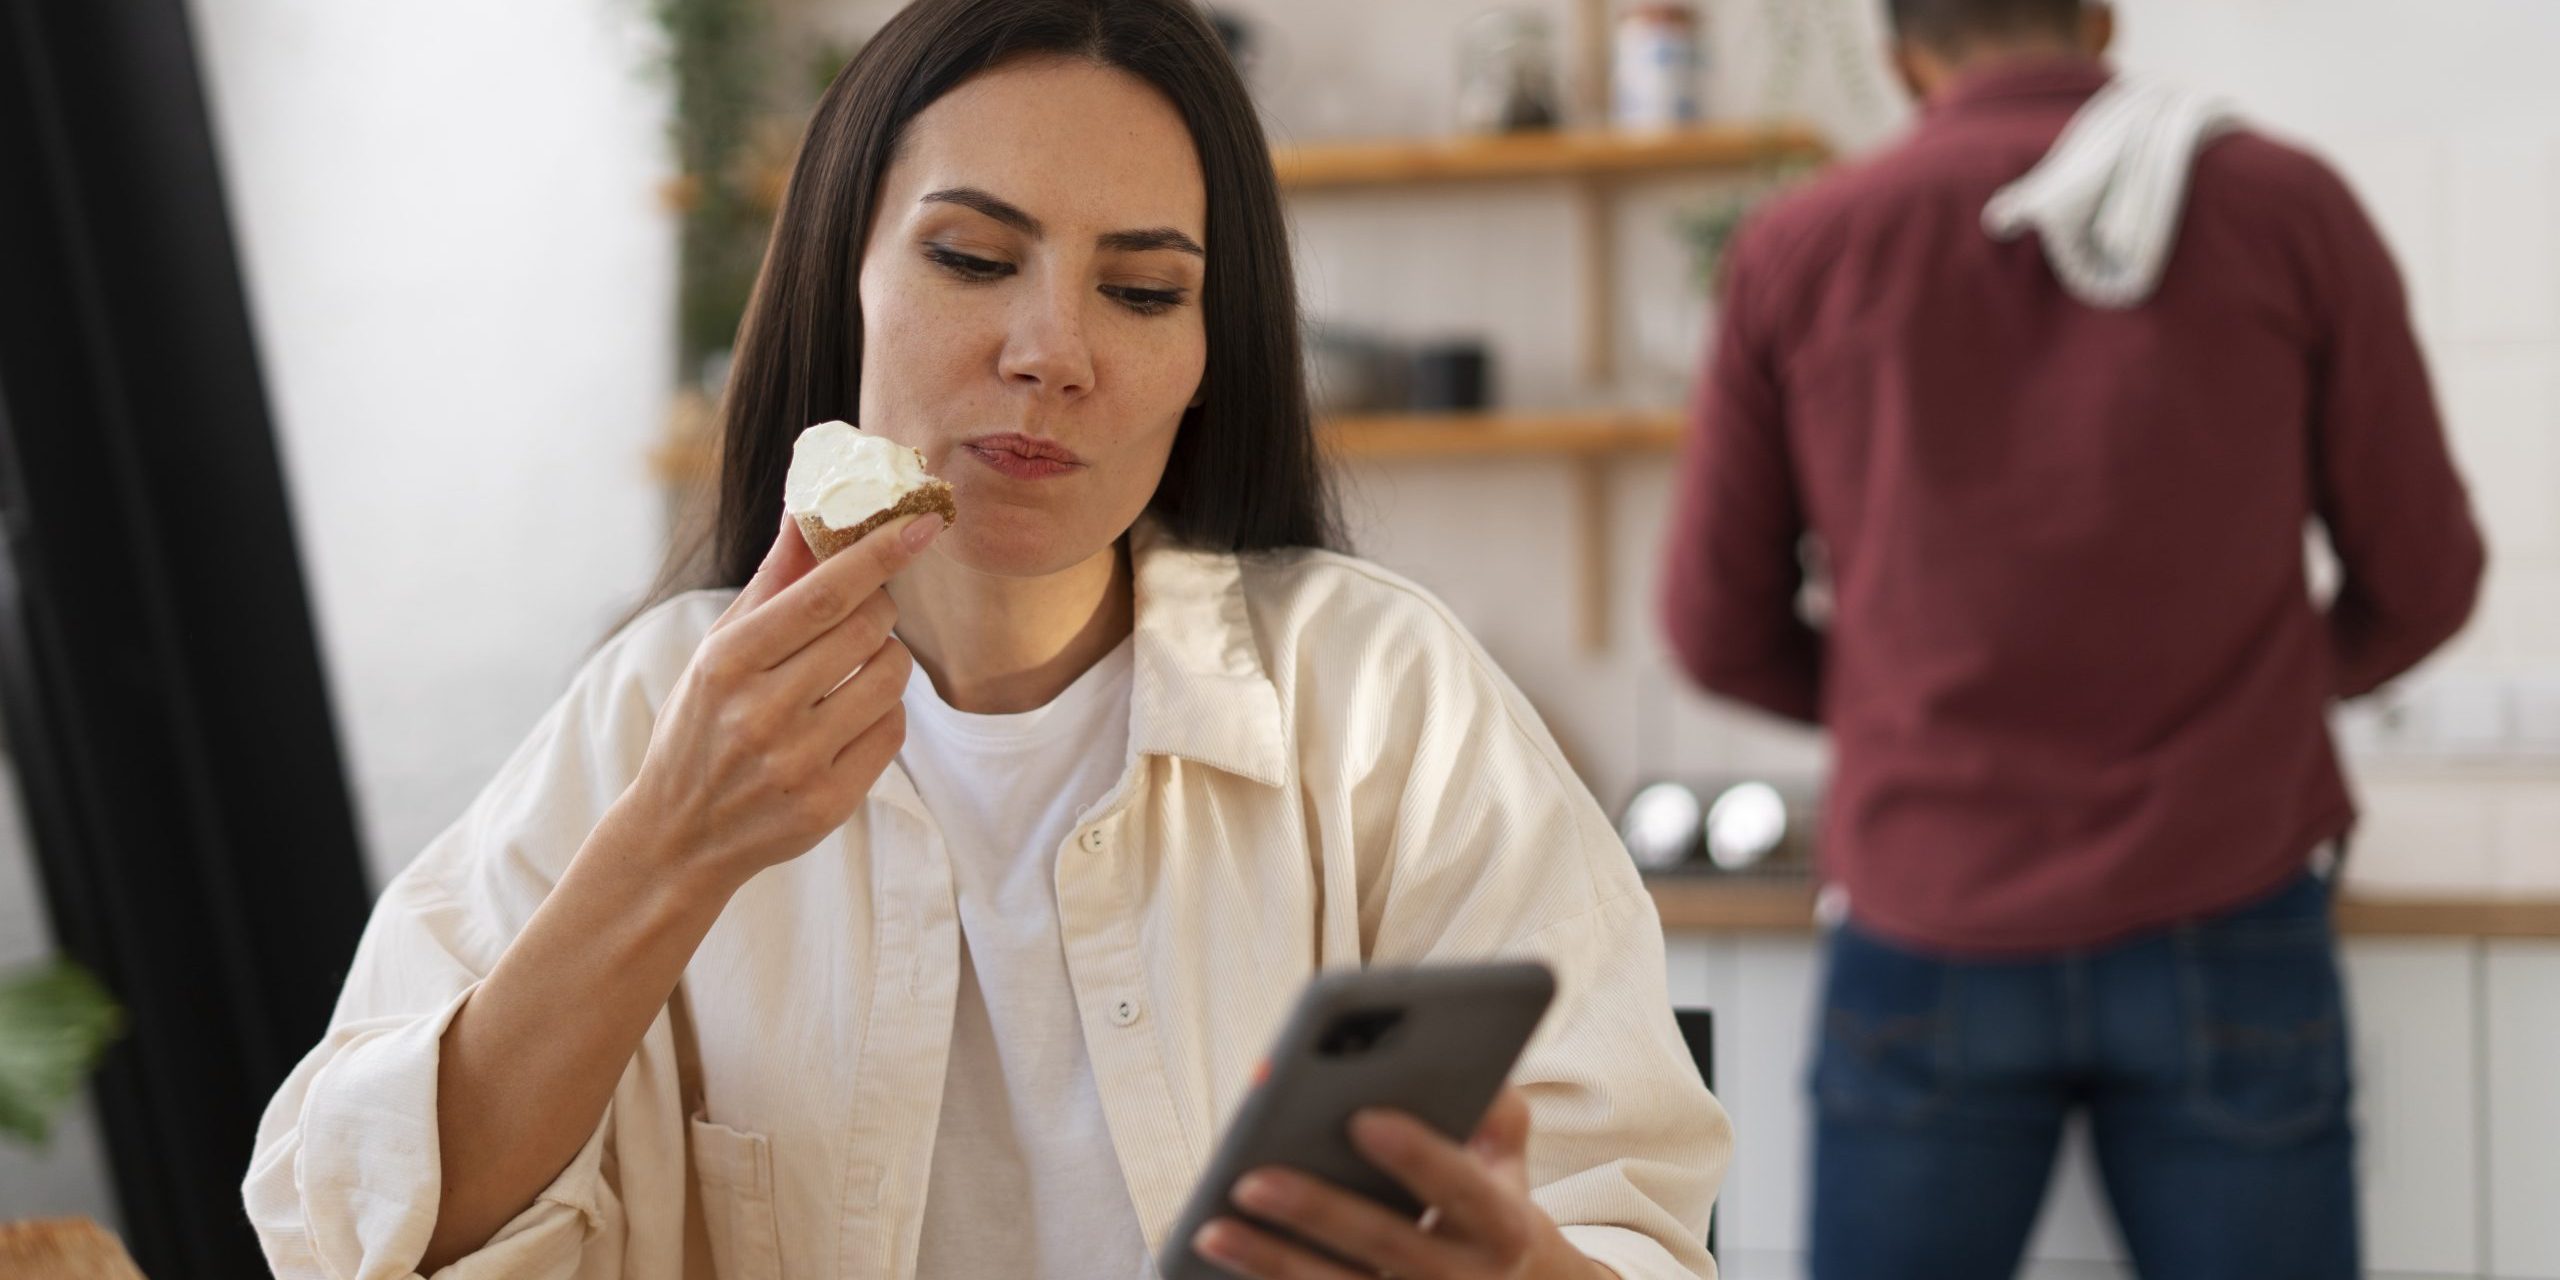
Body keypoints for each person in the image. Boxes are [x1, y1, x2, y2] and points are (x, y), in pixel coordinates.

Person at [243, 1, 1731, 1277]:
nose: (1052, 353)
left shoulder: (1378, 699)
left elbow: (1632, 1214)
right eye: (971, 258)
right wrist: (671, 852)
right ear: (849, 279)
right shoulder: (653, 713)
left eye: (1142, 292)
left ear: (1209, 358)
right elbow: (351, 1228)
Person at [1656, 1, 2483, 1277]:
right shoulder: (2285, 207)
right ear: (2101, 22)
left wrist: (1903, 703)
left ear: (1897, 54)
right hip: (2230, 896)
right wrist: (2256, 697)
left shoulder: (1801, 247)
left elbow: (1713, 627)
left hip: (1927, 911)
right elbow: (2426, 577)